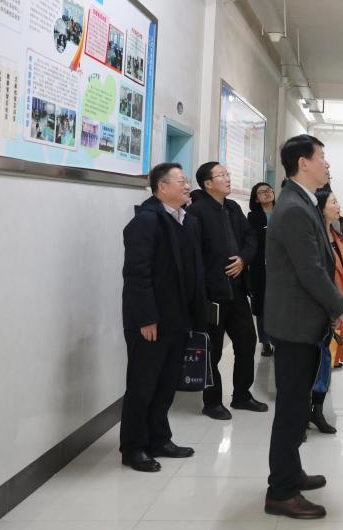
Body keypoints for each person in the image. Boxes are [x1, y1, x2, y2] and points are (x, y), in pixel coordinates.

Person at [264, 135, 343, 519]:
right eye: (321, 157)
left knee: (297, 408)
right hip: (295, 323)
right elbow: (310, 270)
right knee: (291, 410)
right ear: (303, 163)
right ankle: (281, 492)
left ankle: (290, 472)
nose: (326, 164)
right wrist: (338, 305)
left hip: (301, 322)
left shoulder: (301, 201)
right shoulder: (295, 207)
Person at [119, 162, 205, 472]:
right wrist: (146, 318)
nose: (187, 186)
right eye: (181, 181)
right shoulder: (146, 221)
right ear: (162, 188)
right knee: (143, 385)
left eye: (187, 181)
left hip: (177, 317)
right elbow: (137, 274)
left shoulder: (186, 220)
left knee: (166, 385)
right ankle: (133, 447)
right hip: (151, 321)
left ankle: (159, 438)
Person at [186, 162, 266, 419]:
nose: (228, 178)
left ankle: (241, 395)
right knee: (213, 350)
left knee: (247, 343)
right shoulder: (196, 212)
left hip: (238, 290)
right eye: (222, 175)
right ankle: (211, 402)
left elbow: (251, 237)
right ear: (208, 183)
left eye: (227, 174)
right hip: (213, 295)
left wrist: (243, 259)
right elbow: (193, 256)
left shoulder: (232, 207)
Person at [306, 184, 343, 435]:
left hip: (336, 309)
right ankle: (302, 414)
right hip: (318, 310)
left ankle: (316, 411)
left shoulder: (335, 236)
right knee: (311, 364)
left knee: (325, 363)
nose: (338, 206)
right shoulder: (313, 238)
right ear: (320, 207)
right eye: (333, 202)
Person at [247, 182, 276, 357]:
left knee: (279, 303)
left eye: (269, 190)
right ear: (256, 199)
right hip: (260, 266)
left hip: (281, 266)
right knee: (262, 303)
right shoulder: (252, 217)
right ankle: (265, 341)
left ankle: (279, 339)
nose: (267, 193)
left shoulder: (283, 212)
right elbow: (252, 240)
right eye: (262, 192)